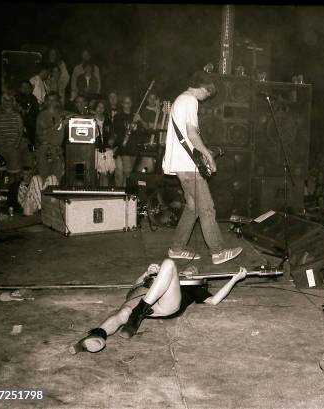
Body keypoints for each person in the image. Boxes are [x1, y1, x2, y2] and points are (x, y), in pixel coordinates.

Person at [69, 260, 248, 353]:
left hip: (164, 305)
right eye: (189, 269)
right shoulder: (161, 277)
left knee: (169, 263)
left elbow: (214, 300)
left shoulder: (195, 288)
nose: (190, 271)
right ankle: (95, 338)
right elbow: (134, 287)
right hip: (141, 296)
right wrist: (147, 273)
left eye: (195, 271)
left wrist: (234, 279)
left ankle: (139, 312)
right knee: (123, 312)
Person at [163, 71, 242, 264]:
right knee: (207, 208)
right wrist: (208, 156)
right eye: (207, 94)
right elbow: (192, 134)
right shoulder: (190, 101)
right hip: (188, 166)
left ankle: (177, 248)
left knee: (193, 208)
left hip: (180, 165)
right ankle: (218, 251)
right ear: (202, 88)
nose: (206, 99)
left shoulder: (179, 100)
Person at [35, 92, 69, 181]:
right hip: (45, 150)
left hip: (57, 150)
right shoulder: (42, 115)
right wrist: (57, 124)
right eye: (49, 100)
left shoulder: (62, 113)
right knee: (43, 178)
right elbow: (40, 133)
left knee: (57, 178)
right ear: (46, 101)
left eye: (54, 99)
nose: (52, 102)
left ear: (58, 101)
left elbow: (76, 115)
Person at [113, 96, 141, 187]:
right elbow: (116, 133)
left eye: (129, 103)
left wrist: (140, 120)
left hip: (132, 148)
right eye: (125, 102)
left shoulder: (135, 116)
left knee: (123, 174)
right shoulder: (118, 116)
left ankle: (124, 196)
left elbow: (146, 129)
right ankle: (120, 196)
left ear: (131, 104)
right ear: (122, 104)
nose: (127, 105)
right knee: (124, 174)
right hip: (122, 148)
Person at [0, 93, 24, 182]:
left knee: (14, 175)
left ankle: (14, 194)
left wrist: (15, 145)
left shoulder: (17, 115)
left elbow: (20, 131)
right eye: (5, 100)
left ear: (13, 102)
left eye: (9, 100)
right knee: (2, 174)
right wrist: (1, 145)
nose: (7, 102)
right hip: (2, 148)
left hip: (13, 148)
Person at [93, 100, 116, 187]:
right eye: (98, 107)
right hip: (95, 150)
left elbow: (112, 134)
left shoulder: (107, 120)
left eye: (102, 107)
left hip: (107, 150)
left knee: (105, 174)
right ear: (95, 107)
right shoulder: (90, 119)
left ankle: (103, 194)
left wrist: (112, 139)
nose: (100, 109)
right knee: (96, 175)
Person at [16, 80, 40, 149]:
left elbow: (36, 113)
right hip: (17, 130)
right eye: (23, 87)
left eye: (27, 87)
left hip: (30, 130)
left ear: (30, 88)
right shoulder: (15, 99)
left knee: (30, 150)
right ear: (19, 88)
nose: (25, 89)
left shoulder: (33, 98)